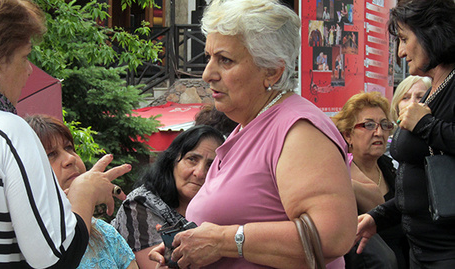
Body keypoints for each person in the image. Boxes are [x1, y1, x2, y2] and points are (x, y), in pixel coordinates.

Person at [149, 0, 357, 268]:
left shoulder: (299, 129)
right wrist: (187, 246)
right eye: (209, 57)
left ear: (272, 70)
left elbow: (333, 236)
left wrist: (223, 241)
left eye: (225, 60)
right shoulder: (248, 125)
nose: (207, 74)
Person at [0, 0, 129, 267]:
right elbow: (55, 259)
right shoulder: (7, 134)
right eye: (25, 57)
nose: (28, 71)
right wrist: (84, 192)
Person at [356, 0, 455, 268]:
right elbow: (422, 181)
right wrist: (379, 217)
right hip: (422, 251)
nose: (400, 52)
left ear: (430, 33)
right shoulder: (438, 86)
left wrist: (426, 125)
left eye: (403, 39)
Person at [25, 114, 138, 269]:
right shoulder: (28, 240)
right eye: (51, 154)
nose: (70, 158)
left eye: (68, 148)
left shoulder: (104, 232)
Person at [111, 125, 225, 269]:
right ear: (172, 162)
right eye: (192, 159)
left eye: (211, 165)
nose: (200, 173)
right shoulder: (140, 205)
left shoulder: (220, 210)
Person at [333, 92, 409, 269]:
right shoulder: (339, 172)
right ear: (348, 135)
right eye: (368, 125)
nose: (379, 132)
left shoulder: (391, 167)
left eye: (384, 125)